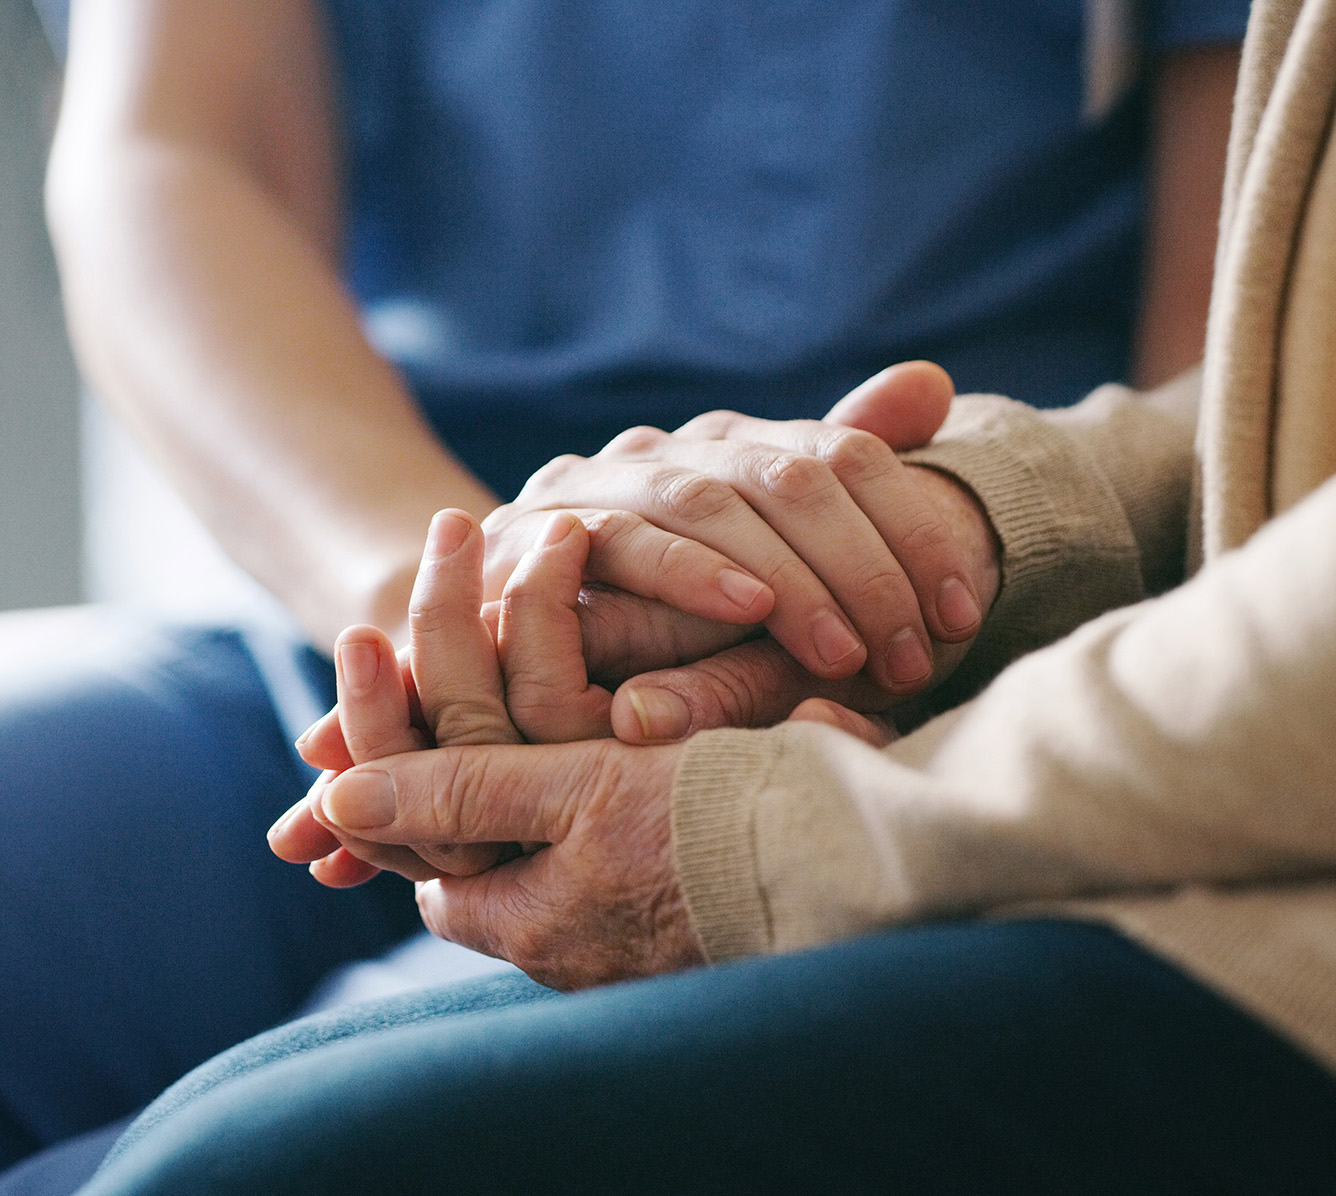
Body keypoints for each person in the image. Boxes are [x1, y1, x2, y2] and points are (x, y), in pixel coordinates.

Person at [53, 0, 1336, 1189]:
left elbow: (1246, 384)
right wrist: (456, 618)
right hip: (380, 602)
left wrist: (799, 773)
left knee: (223, 1156)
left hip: (924, 665)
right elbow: (170, 153)